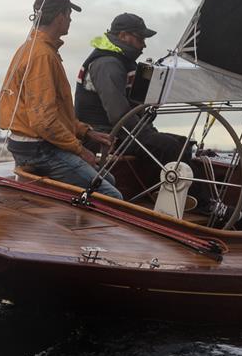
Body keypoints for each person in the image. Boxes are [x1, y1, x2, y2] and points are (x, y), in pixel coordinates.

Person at [74, 13, 213, 210]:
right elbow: (119, 115)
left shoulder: (119, 61)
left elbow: (129, 108)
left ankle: (171, 195)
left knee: (182, 143)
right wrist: (149, 133)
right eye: (140, 39)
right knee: (168, 146)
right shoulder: (108, 64)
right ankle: (203, 206)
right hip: (102, 137)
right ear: (123, 36)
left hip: (118, 131)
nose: (143, 45)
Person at [0, 0, 122, 200]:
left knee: (109, 181)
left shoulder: (31, 49)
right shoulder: (42, 55)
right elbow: (44, 122)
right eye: (69, 14)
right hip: (39, 150)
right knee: (112, 197)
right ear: (60, 17)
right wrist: (81, 151)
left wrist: (85, 132)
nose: (71, 20)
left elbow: (51, 113)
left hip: (28, 145)